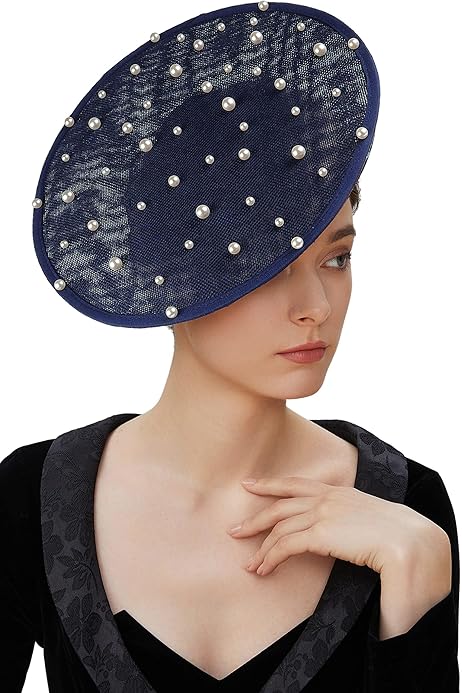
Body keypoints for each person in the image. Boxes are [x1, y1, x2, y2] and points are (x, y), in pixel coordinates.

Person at [1, 2, 459, 692]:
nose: (316, 306)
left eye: (336, 258)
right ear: (167, 272)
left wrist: (418, 572)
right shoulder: (32, 500)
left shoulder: (405, 508)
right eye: (268, 267)